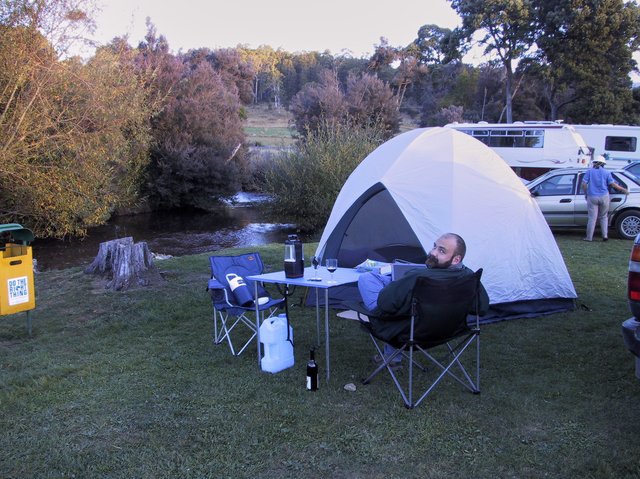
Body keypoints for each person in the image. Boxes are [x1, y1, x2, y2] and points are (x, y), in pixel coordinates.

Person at [357, 233, 489, 366]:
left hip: (409, 334)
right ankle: (392, 358)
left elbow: (385, 304)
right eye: (434, 247)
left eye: (441, 251)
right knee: (397, 290)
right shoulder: (470, 277)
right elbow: (481, 307)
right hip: (448, 330)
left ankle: (391, 358)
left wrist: (398, 285)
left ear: (456, 259)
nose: (433, 253)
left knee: (366, 279)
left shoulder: (418, 276)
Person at [581, 155, 628, 242]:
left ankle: (589, 237)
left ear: (595, 163)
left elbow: (584, 184)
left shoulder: (589, 172)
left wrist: (586, 193)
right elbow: (613, 185)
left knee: (592, 218)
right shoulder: (607, 173)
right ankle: (605, 235)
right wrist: (623, 190)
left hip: (592, 196)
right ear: (603, 164)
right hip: (604, 196)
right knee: (603, 217)